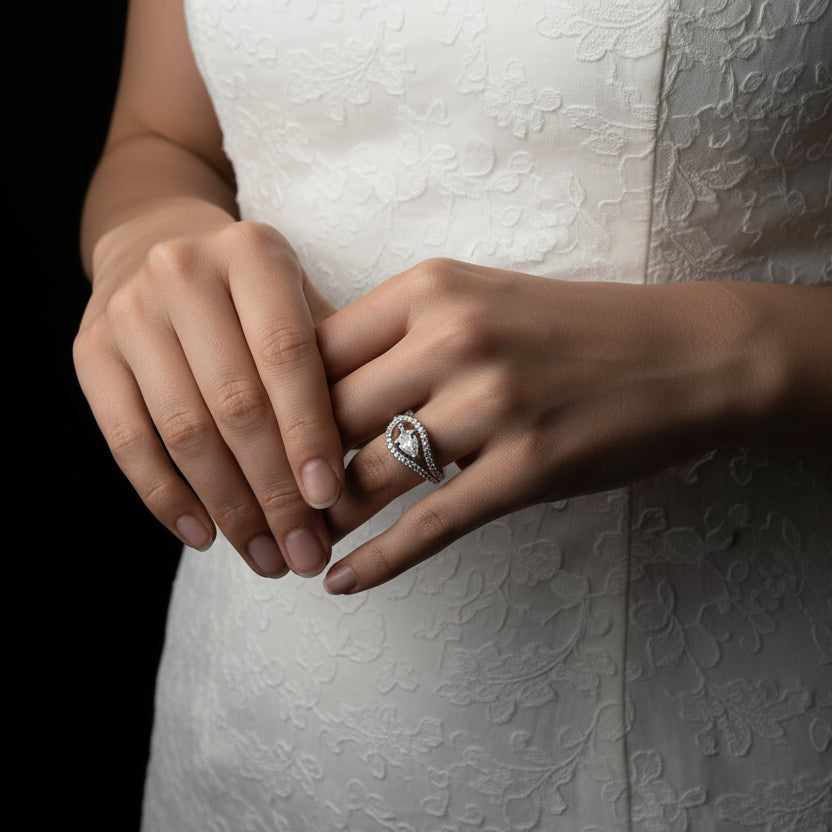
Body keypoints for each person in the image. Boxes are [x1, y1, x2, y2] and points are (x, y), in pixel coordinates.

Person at [75, 0, 832, 829]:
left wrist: (734, 357)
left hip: (731, 714)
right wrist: (144, 240)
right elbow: (159, 137)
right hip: (264, 712)